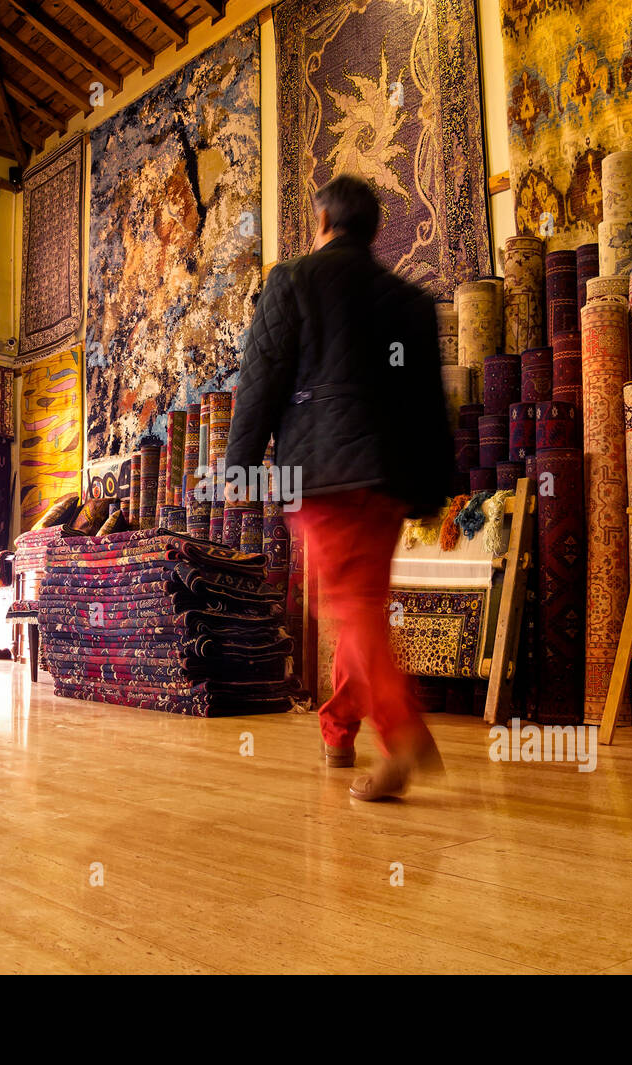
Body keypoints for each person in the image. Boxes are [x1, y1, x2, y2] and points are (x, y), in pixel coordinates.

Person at [224, 174, 453, 801]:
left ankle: (402, 735)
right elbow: (426, 398)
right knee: (362, 605)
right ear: (374, 229)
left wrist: (240, 468)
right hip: (387, 475)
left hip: (320, 474)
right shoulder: (405, 300)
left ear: (321, 221)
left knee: (352, 607)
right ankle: (337, 729)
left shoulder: (292, 281)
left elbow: (261, 380)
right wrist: (433, 484)